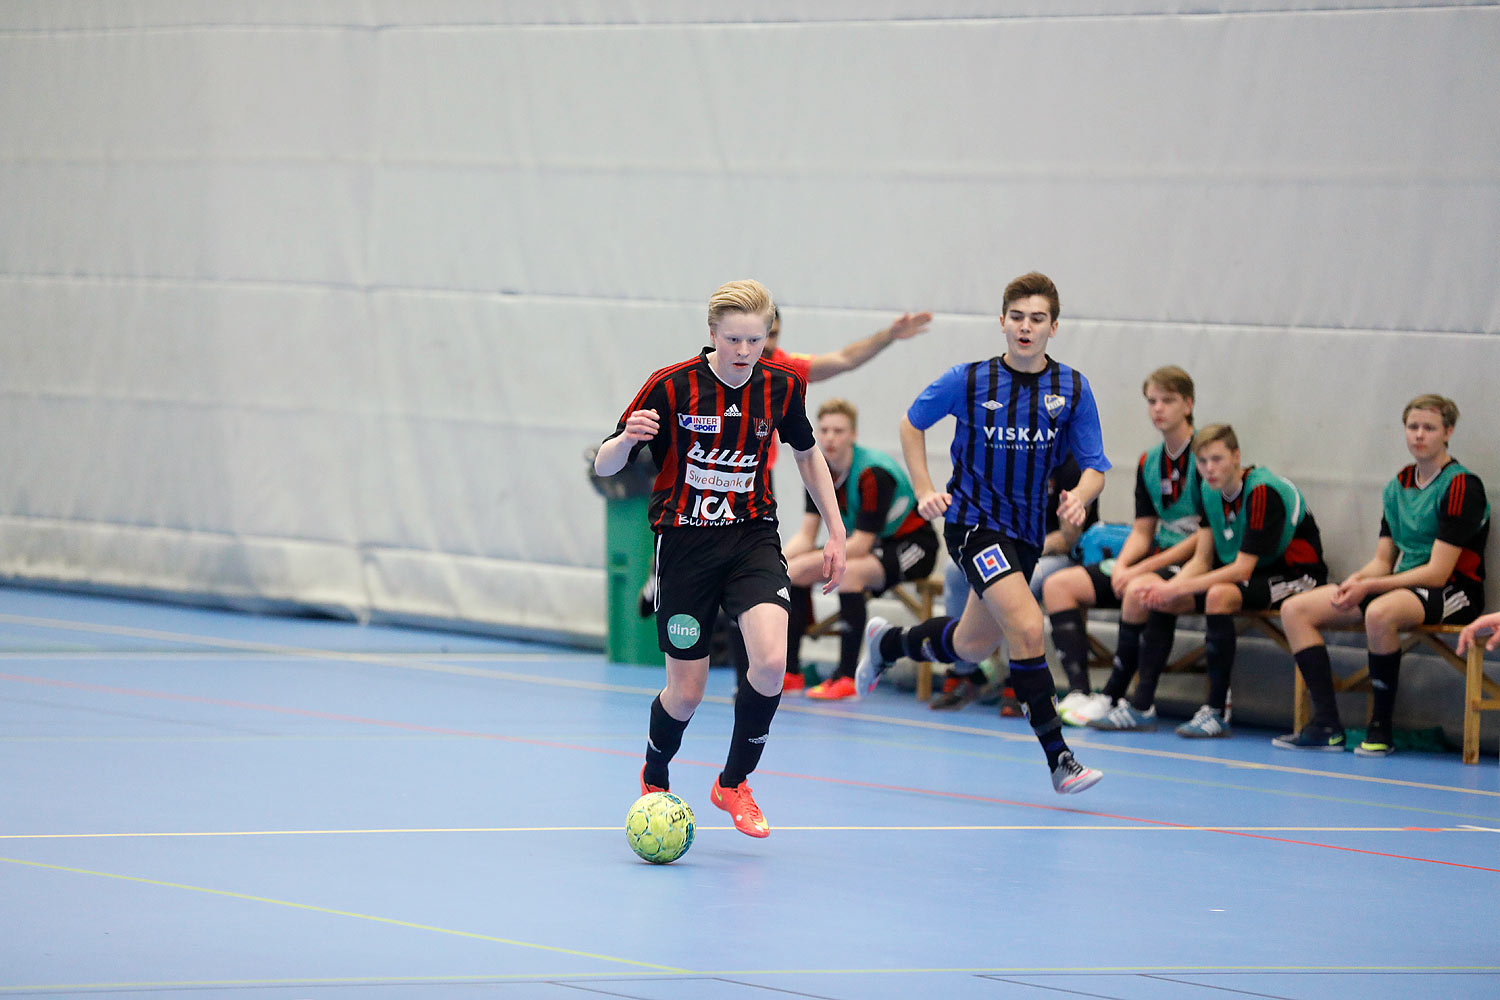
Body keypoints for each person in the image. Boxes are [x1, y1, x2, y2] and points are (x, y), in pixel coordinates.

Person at [594, 279, 848, 838]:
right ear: (712, 334)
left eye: (754, 341)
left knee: (771, 660)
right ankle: (655, 774)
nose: (743, 352)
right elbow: (607, 467)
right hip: (684, 546)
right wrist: (624, 440)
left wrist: (836, 531)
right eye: (733, 339)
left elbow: (808, 459)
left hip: (751, 538)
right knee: (687, 691)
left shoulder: (780, 386)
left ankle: (733, 782)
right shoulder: (670, 385)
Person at [854, 271, 1109, 794]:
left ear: (1053, 328)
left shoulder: (1073, 389)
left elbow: (1095, 466)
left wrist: (1080, 497)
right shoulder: (968, 380)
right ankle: (1060, 758)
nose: (1025, 327)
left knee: (970, 645)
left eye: (1037, 318)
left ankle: (888, 644)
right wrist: (926, 488)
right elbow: (911, 423)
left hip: (1027, 534)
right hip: (973, 524)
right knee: (1028, 626)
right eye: (1016, 317)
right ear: (1002, 322)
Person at [1274, 394, 1489, 755]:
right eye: (1413, 427)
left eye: (1429, 428)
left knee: (1379, 612)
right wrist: (1355, 582)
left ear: (1448, 432)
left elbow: (1437, 573)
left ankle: (1381, 727)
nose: (1419, 435)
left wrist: (1372, 587)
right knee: (1296, 610)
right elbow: (1382, 560)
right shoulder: (1398, 486)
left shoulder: (1462, 486)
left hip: (1454, 591)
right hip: (1402, 585)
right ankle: (1326, 723)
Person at [1090, 424, 1328, 738]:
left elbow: (1242, 569)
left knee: (1218, 595)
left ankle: (1216, 710)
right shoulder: (1208, 491)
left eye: (1217, 459)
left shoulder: (1261, 491)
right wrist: (1166, 590)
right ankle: (1141, 705)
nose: (1209, 469)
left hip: (1296, 575)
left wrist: (1174, 585)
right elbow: (1201, 560)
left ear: (1237, 457)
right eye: (1202, 462)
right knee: (1165, 597)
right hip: (1251, 574)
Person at [1042, 366, 1200, 726]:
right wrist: (1127, 563)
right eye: (1152, 401)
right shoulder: (1149, 462)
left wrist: (1138, 570)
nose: (1158, 409)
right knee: (1059, 585)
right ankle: (1080, 690)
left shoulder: (1204, 457)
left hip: (1194, 561)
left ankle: (1123, 698)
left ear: (1188, 404)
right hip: (1156, 555)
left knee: (1139, 590)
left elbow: (1204, 538)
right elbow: (1143, 531)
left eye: (1168, 400)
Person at [781, 399, 940, 700]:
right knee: (792, 572)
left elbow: (860, 544)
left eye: (838, 431)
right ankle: (790, 672)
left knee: (849, 573)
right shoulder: (817, 469)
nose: (829, 438)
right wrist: (776, 562)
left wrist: (804, 565)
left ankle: (846, 677)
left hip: (912, 545)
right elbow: (806, 535)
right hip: (865, 545)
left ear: (853, 435)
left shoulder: (873, 474)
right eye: (824, 430)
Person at [932, 455, 1094, 711]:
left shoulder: (1071, 466)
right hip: (1009, 547)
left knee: (1022, 580)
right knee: (954, 570)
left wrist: (1023, 552)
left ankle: (1016, 677)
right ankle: (965, 671)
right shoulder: (1008, 455)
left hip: (1058, 556)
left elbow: (1068, 539)